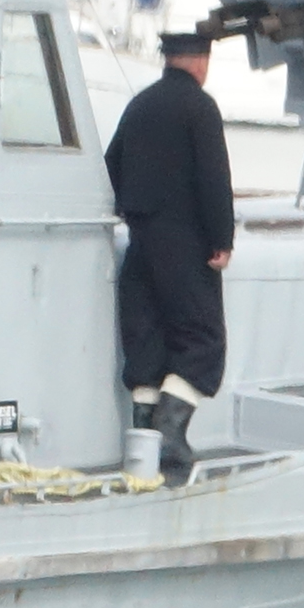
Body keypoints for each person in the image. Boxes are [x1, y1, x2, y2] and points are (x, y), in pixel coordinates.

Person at [103, 31, 234, 477]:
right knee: (202, 339)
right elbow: (213, 178)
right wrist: (222, 239)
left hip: (141, 244)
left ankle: (142, 442)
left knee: (147, 339)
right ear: (200, 62)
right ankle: (171, 439)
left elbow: (112, 163)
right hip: (186, 245)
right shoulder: (200, 108)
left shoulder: (139, 105)